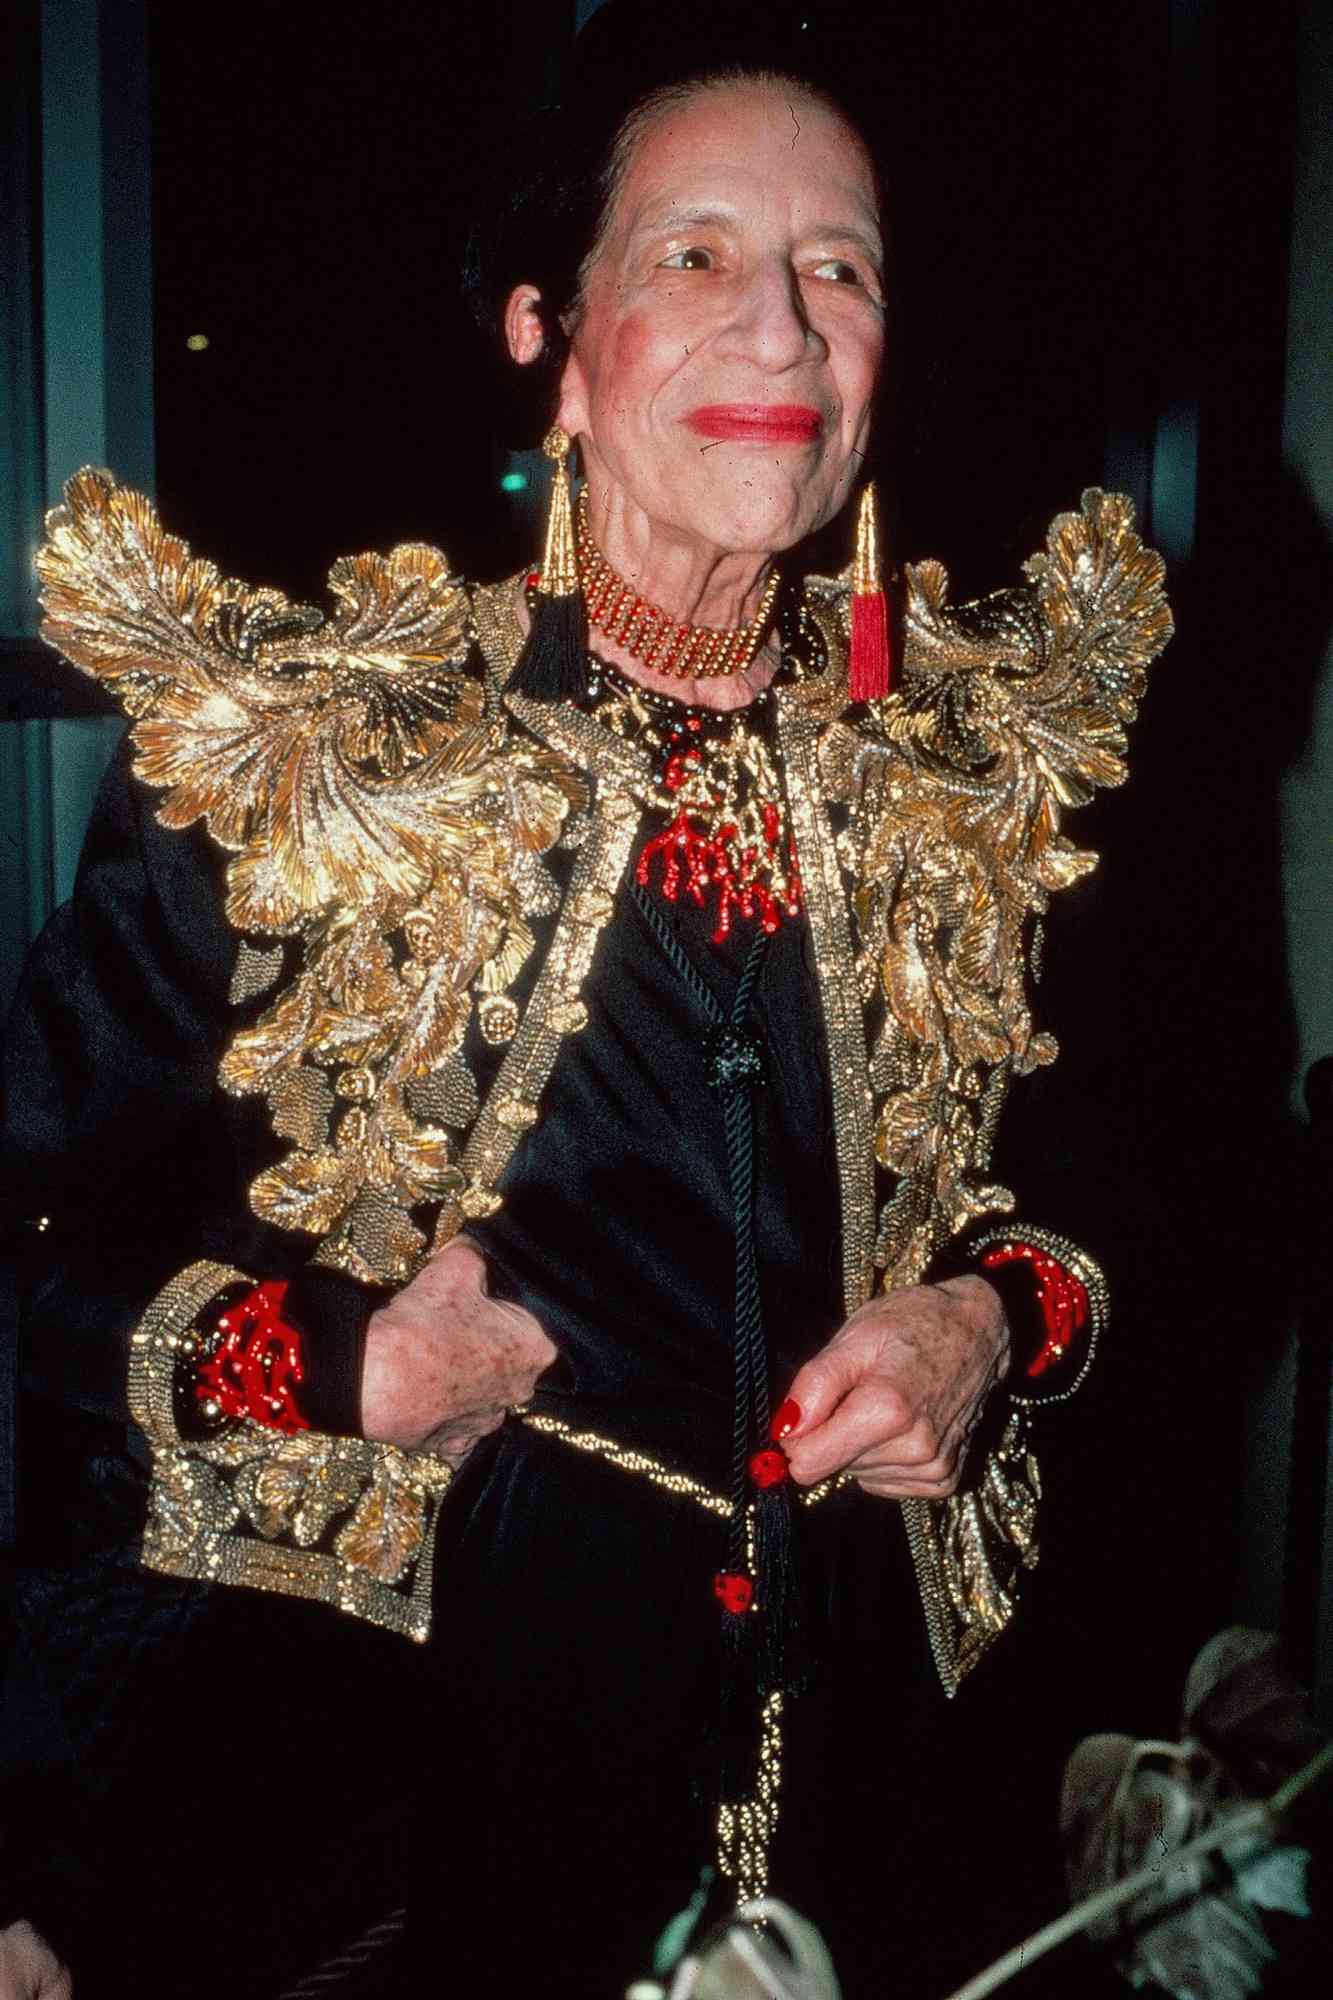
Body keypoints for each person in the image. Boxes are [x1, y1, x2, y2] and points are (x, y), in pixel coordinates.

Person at [0, 11, 1171, 1997]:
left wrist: (996, 1316)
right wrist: (310, 1365)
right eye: (694, 255)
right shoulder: (308, 757)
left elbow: (1117, 1166)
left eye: (838, 267)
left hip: (884, 1802)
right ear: (550, 331)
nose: (782, 335)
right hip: (358, 1816)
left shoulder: (984, 776)